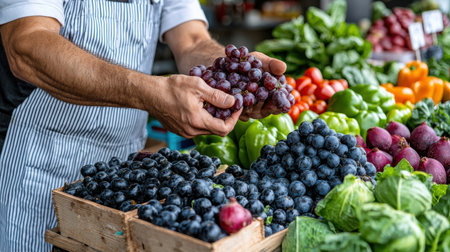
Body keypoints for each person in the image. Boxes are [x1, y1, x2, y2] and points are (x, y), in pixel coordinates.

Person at [0, 0, 286, 251]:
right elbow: (28, 45)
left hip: (130, 173)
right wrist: (149, 92)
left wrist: (231, 70)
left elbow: (192, 41)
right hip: (42, 166)